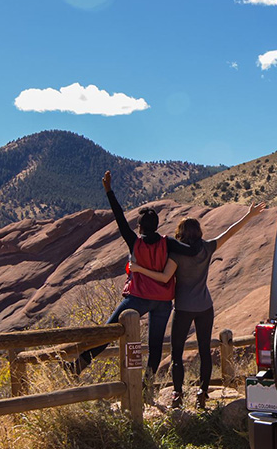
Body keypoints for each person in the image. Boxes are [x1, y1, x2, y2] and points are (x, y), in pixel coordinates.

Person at [72, 171, 197, 401]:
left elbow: (119, 217)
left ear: (140, 227)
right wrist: (199, 243)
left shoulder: (134, 242)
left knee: (107, 333)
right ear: (157, 226)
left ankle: (78, 365)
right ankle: (146, 388)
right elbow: (191, 251)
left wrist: (109, 191)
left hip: (137, 298)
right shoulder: (167, 243)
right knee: (156, 347)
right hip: (162, 301)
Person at [130, 201, 265, 409]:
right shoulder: (208, 248)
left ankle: (178, 394)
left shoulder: (176, 254)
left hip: (183, 308)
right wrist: (249, 215)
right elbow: (230, 232)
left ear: (180, 233)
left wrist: (139, 269)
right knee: (204, 351)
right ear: (199, 231)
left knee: (176, 354)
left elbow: (165, 277)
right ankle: (202, 393)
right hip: (205, 307)